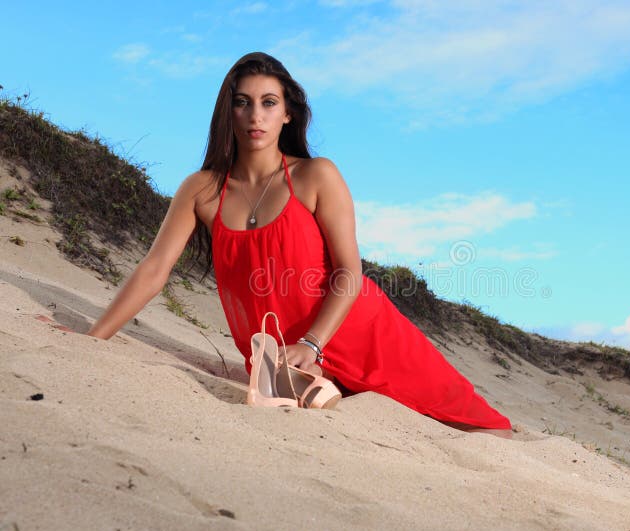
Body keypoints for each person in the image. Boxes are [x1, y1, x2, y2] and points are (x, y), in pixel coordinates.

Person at [88, 52, 512, 437]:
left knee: (479, 426)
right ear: (227, 112)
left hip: (361, 334)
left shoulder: (315, 176)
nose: (256, 115)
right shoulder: (201, 191)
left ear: (288, 114)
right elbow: (154, 269)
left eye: (269, 103)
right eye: (243, 102)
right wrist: (91, 339)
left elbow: (349, 272)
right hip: (280, 360)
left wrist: (312, 344)